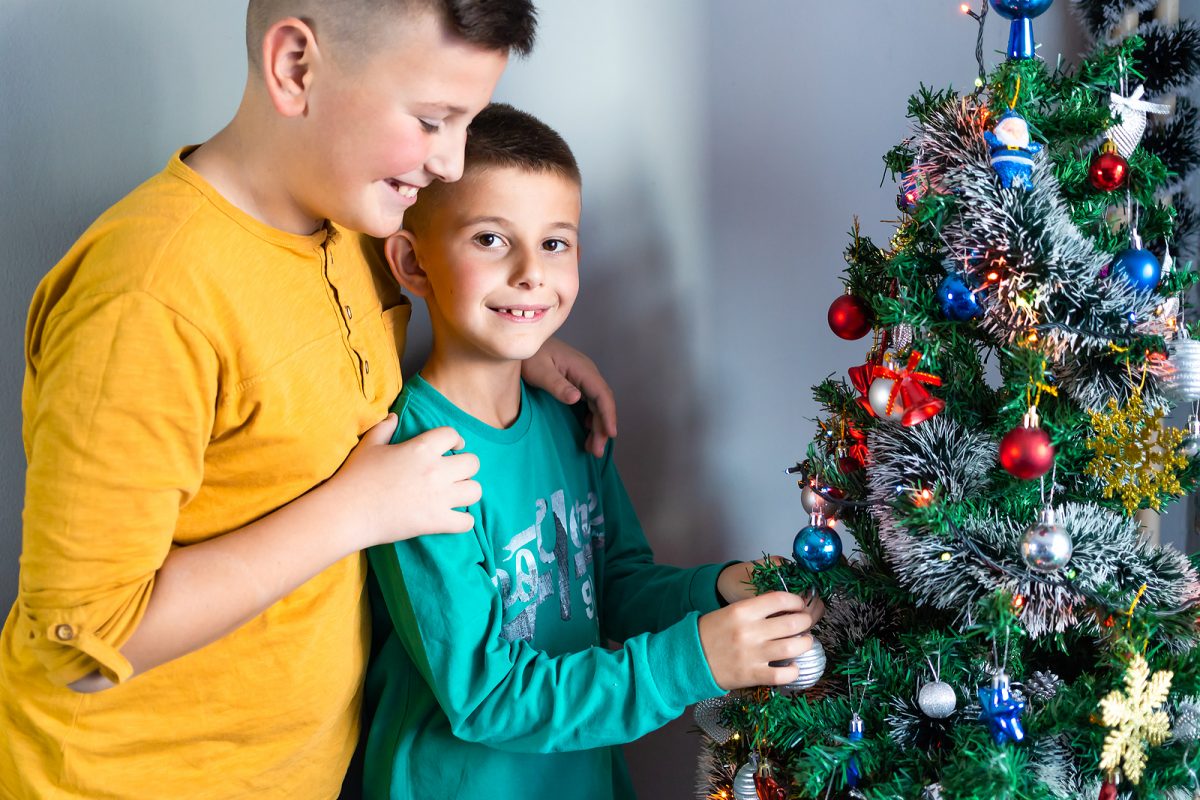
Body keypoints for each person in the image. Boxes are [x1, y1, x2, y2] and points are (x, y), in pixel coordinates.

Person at [0, 3, 618, 799]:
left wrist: (520, 349)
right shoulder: (149, 299)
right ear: (296, 66)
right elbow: (81, 645)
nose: (452, 163)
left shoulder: (359, 231)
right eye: (433, 120)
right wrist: (351, 514)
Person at [358, 103, 822, 800]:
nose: (529, 274)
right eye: (490, 239)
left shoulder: (567, 416)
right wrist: (695, 660)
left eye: (555, 243)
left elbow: (613, 584)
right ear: (411, 263)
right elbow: (486, 696)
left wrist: (715, 591)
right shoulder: (416, 460)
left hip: (578, 777)